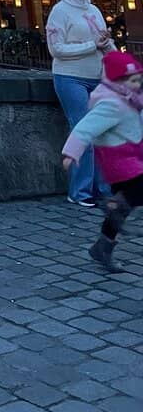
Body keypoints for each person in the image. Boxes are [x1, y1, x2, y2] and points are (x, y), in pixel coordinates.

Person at [62, 50, 143, 272]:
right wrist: (71, 153)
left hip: (132, 156)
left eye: (139, 80)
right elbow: (85, 128)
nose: (137, 85)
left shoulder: (131, 99)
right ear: (118, 81)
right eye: (133, 81)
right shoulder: (111, 104)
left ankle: (102, 247)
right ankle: (113, 204)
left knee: (121, 212)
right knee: (137, 191)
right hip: (120, 160)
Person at [46, 0, 113, 207]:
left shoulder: (94, 10)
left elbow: (103, 42)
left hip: (97, 77)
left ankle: (103, 188)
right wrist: (91, 46)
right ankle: (79, 192)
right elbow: (56, 49)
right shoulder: (59, 12)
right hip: (70, 78)